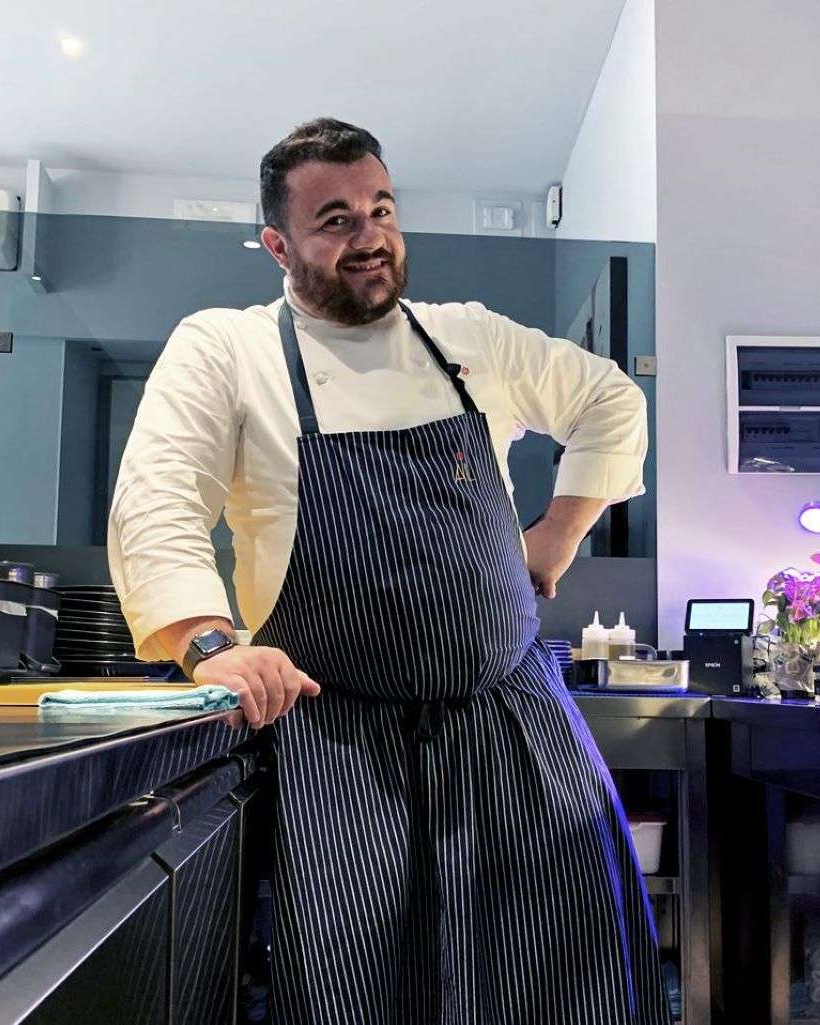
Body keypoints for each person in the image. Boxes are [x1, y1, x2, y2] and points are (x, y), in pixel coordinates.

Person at [109, 117, 669, 1024]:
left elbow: (610, 400)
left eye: (381, 209)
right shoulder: (228, 348)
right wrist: (208, 643)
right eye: (335, 220)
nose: (370, 237)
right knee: (356, 989)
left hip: (515, 721)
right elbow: (159, 497)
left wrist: (557, 536)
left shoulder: (466, 339)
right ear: (277, 245)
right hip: (340, 743)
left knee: (573, 977)